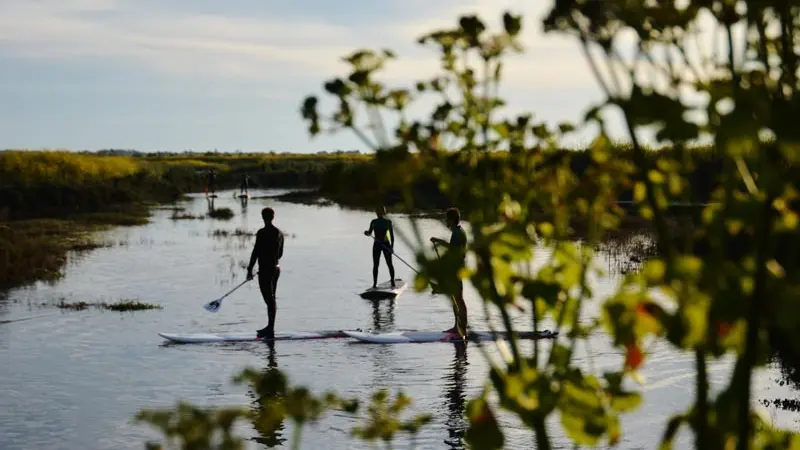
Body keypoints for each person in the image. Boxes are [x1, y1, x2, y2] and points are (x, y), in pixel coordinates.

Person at [247, 207, 284, 339]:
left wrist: (249, 269)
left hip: (266, 270)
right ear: (273, 217)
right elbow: (280, 254)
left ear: (263, 217)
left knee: (269, 299)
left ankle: (270, 329)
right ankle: (270, 327)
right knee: (272, 298)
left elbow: (256, 252)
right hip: (276, 269)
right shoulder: (279, 233)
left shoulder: (262, 233)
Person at [430, 207, 468, 336]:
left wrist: (439, 242)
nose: (445, 222)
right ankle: (458, 326)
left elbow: (454, 251)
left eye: (447, 219)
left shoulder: (458, 233)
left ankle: (461, 328)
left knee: (458, 299)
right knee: (455, 298)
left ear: (451, 220)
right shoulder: (458, 231)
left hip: (456, 269)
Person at [364, 206, 396, 289]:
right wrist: (367, 233)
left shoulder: (388, 222)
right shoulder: (373, 222)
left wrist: (391, 248)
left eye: (379, 212)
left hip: (385, 245)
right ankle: (374, 284)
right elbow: (370, 233)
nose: (377, 213)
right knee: (375, 265)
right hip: (377, 245)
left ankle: (392, 282)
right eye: (377, 212)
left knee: (389, 264)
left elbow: (392, 237)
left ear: (383, 213)